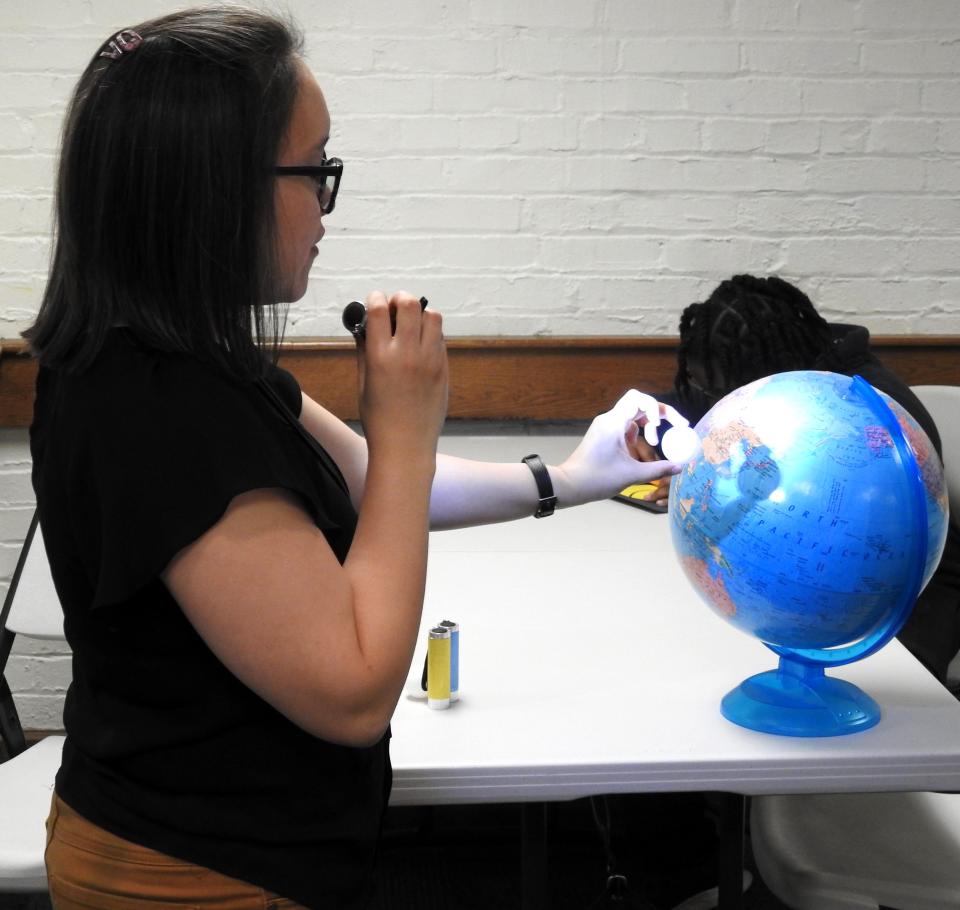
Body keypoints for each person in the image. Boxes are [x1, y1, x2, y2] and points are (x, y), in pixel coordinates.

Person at [24, 9, 681, 909]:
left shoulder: (177, 360)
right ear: (217, 189)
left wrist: (569, 479)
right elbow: (355, 689)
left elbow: (368, 481)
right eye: (315, 170)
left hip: (235, 852)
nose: (328, 205)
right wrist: (410, 426)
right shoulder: (159, 407)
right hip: (193, 877)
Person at [638, 273, 960, 691]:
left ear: (764, 364)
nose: (714, 396)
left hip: (895, 598)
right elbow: (681, 404)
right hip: (802, 592)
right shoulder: (767, 378)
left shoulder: (874, 419)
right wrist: (646, 431)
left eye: (721, 384)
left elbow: (847, 532)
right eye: (706, 384)